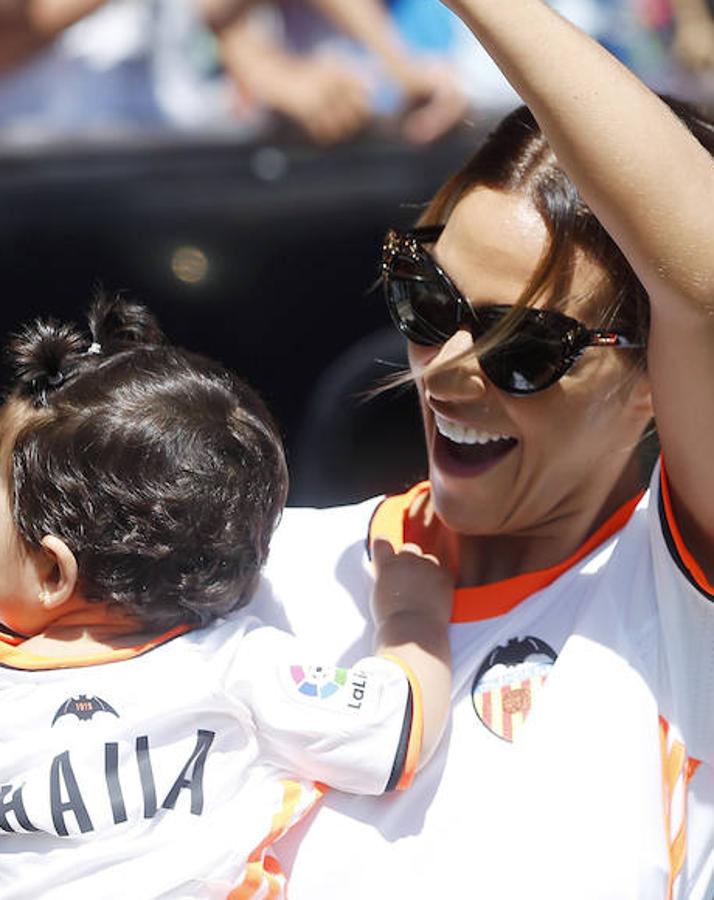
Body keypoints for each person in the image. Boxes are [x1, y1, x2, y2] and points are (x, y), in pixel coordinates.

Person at [251, 0, 714, 896]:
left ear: (658, 377)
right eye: (428, 303)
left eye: (525, 346)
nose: (450, 371)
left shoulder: (675, 598)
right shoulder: (267, 574)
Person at [0, 296, 452, 898]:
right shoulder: (239, 666)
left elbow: (393, 736)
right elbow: (395, 726)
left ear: (54, 572)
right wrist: (410, 616)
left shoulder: (235, 665)